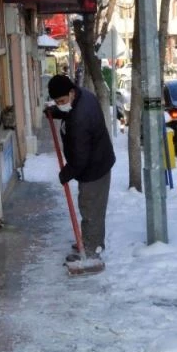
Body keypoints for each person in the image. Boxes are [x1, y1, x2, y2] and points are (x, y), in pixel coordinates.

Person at [46, 75, 116, 263]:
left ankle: (91, 252)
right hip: (97, 160)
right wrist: (57, 111)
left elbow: (80, 158)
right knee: (91, 207)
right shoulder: (81, 96)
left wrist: (66, 173)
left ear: (71, 93)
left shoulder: (80, 118)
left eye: (61, 101)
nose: (60, 104)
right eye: (57, 102)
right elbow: (70, 110)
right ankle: (89, 241)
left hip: (94, 167)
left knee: (91, 209)